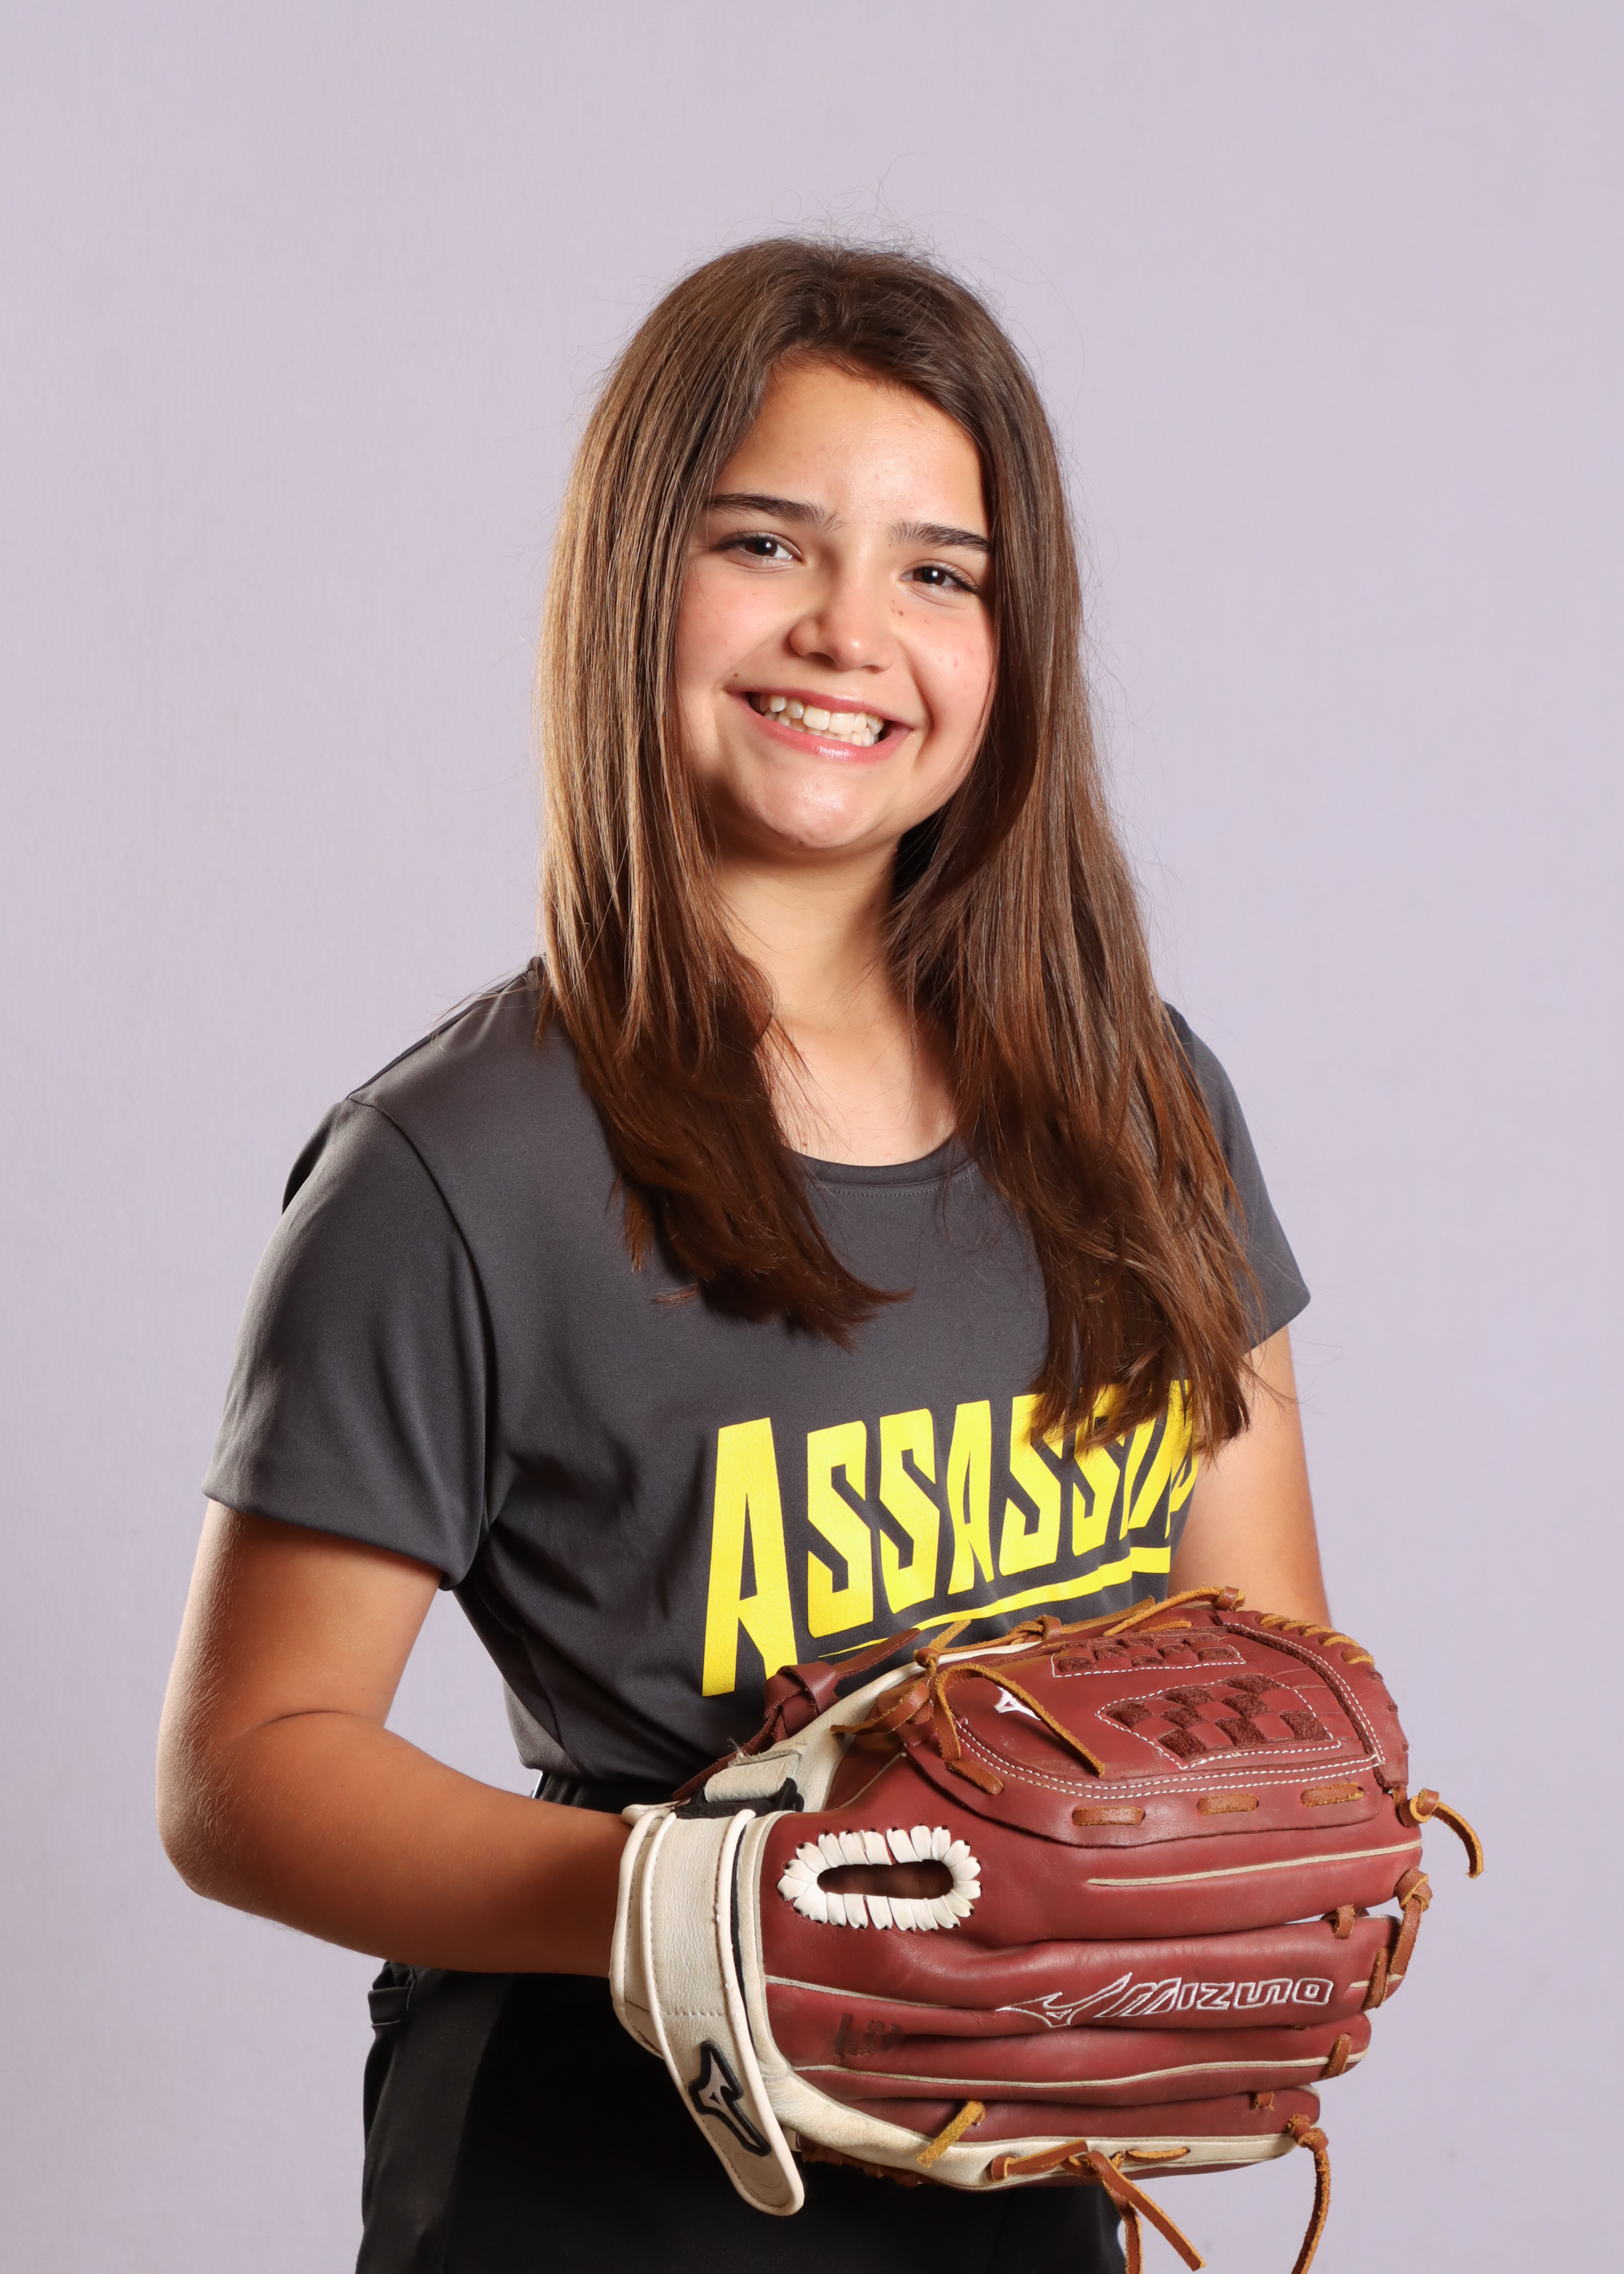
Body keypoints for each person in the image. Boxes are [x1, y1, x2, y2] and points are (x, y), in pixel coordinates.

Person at [158, 238, 1328, 2274]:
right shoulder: (455, 1167)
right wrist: (680, 1898)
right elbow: (243, 1769)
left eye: (939, 570)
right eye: (767, 540)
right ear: (638, 578)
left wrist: (1228, 1875)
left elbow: (1263, 1658)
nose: (849, 630)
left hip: (1017, 2170)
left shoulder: (1142, 1104)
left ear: (1015, 639)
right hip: (607, 2181)